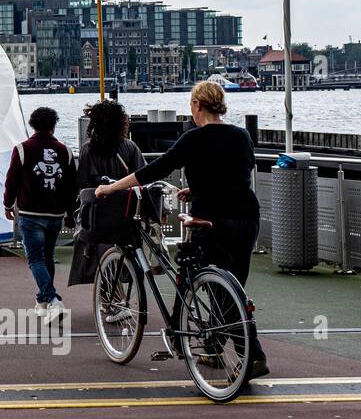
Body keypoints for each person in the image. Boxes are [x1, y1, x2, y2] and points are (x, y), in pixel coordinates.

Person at [94, 80, 268, 379]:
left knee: (194, 279)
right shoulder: (241, 135)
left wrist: (111, 188)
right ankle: (223, 350)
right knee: (231, 287)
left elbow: (153, 170)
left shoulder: (193, 138)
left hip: (210, 220)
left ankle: (245, 352)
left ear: (197, 105)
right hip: (246, 218)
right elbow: (235, 175)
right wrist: (194, 189)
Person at [4, 107, 76, 320]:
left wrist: (8, 205)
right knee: (47, 258)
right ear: (54, 125)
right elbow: (72, 186)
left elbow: (12, 181)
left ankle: (53, 299)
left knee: (35, 258)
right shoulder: (66, 151)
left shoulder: (22, 149)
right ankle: (42, 301)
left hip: (30, 212)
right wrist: (70, 213)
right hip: (55, 214)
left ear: (32, 125)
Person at [68, 99, 145, 287]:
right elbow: (143, 176)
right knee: (128, 252)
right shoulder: (130, 147)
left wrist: (73, 213)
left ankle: (107, 295)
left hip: (98, 214)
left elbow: (83, 185)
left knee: (99, 255)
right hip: (127, 211)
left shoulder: (88, 149)